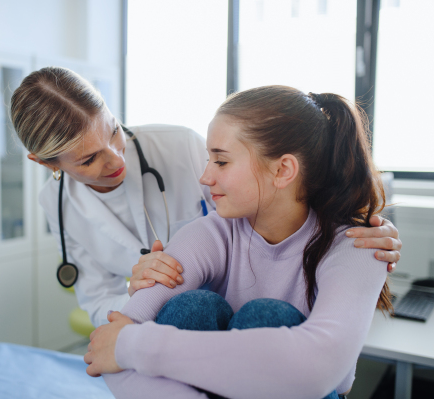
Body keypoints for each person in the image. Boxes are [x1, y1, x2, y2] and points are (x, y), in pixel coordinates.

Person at [10, 67, 401, 327]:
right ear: (46, 163)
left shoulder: (179, 144)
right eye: (89, 158)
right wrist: (136, 291)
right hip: (168, 324)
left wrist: (353, 226)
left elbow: (272, 196)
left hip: (239, 310)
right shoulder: (57, 205)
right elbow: (95, 299)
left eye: (113, 131)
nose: (116, 158)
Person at [84, 86, 394, 399]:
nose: (205, 177)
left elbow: (319, 369)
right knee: (192, 308)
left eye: (221, 162)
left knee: (267, 318)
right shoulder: (210, 233)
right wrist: (124, 344)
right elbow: (107, 346)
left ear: (282, 170)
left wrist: (135, 345)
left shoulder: (360, 246)